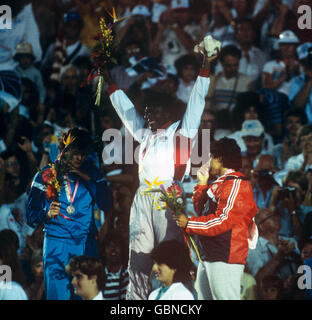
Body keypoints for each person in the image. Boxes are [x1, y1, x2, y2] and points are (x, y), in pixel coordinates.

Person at [102, 37, 218, 300]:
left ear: (169, 112)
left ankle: (183, 298)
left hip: (168, 197)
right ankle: (136, 301)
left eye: (154, 110)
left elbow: (197, 101)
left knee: (172, 253)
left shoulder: (182, 131)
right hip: (142, 197)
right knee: (139, 256)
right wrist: (108, 81)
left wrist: (205, 67)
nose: (148, 114)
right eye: (147, 110)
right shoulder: (145, 135)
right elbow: (126, 111)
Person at [26, 127, 113, 300]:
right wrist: (46, 214)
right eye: (75, 153)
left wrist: (87, 179)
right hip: (56, 244)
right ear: (63, 150)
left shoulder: (92, 172)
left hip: (85, 243)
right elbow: (30, 216)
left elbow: (107, 204)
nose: (80, 158)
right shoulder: (45, 175)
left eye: (83, 153)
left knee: (87, 297)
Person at [175, 137, 258, 300]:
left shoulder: (237, 184)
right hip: (209, 253)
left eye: (210, 157)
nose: (208, 161)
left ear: (219, 158)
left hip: (225, 254)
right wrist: (202, 184)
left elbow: (223, 220)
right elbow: (204, 213)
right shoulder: (221, 183)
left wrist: (189, 223)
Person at [98, 233, 129, 300]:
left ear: (122, 249)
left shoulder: (127, 275)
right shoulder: (98, 274)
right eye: (109, 246)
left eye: (116, 245)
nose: (113, 249)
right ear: (104, 250)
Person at [289, 42, 312, 123]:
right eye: (304, 61)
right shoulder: (297, 81)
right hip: (306, 130)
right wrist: (310, 80)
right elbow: (296, 107)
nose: (308, 64)